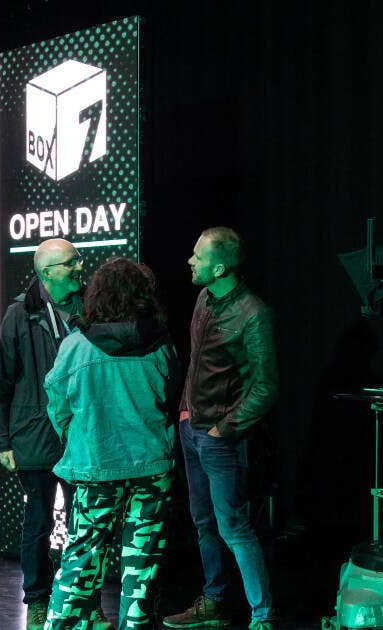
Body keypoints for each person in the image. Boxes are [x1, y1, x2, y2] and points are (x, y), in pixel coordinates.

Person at [44, 257, 180, 630]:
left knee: (82, 558)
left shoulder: (75, 347)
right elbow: (169, 398)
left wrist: (75, 438)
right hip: (151, 465)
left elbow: (57, 403)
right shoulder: (162, 344)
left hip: (94, 464)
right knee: (141, 565)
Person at [163, 227, 279, 630]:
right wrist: (184, 414)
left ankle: (262, 616)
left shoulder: (253, 314)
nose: (190, 262)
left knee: (234, 526)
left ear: (220, 265)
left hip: (220, 439)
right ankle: (213, 601)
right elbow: (197, 363)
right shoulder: (203, 299)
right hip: (191, 428)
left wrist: (223, 430)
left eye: (197, 256)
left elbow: (266, 387)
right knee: (203, 522)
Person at [0, 238, 96, 630]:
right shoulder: (20, 314)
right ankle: (37, 599)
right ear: (47, 273)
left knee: (85, 526)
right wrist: (1, 439)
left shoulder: (92, 307)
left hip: (82, 438)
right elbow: (1, 381)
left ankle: (86, 602)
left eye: (78, 260)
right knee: (38, 524)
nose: (80, 267)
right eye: (71, 263)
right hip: (34, 438)